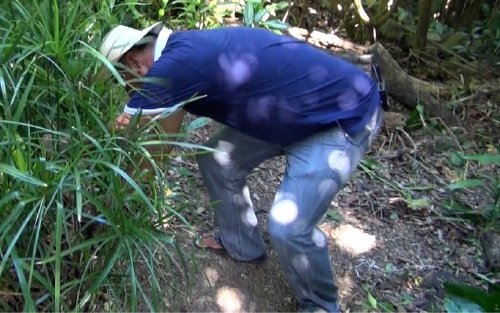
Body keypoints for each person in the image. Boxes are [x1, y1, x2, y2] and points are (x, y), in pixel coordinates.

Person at [98, 22, 383, 313]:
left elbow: (117, 138)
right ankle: (242, 245)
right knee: (216, 159)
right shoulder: (182, 51)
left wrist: (106, 200)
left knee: (288, 227)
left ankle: (321, 304)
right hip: (291, 112)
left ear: (135, 63)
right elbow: (160, 141)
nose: (127, 92)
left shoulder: (172, 69)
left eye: (123, 82)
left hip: (340, 117)